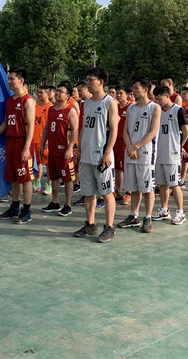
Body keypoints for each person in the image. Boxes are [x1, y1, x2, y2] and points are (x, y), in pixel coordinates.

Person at [0, 67, 36, 224]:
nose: (9, 81)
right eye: (8, 78)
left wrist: (26, 148)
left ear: (21, 80)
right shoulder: (10, 100)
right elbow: (6, 122)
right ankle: (14, 207)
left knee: (25, 178)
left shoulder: (28, 101)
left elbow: (31, 126)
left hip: (22, 142)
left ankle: (27, 210)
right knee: (14, 177)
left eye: (12, 78)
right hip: (10, 142)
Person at [73, 67, 119, 243]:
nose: (87, 83)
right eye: (86, 80)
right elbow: (83, 129)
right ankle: (90, 224)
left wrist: (107, 153)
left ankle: (109, 227)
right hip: (86, 155)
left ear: (100, 82)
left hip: (101, 156)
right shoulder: (85, 103)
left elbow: (114, 130)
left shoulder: (110, 102)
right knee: (88, 193)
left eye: (90, 80)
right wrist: (79, 149)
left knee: (106, 193)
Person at [117, 77, 161, 233]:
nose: (133, 90)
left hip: (146, 154)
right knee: (134, 187)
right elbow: (125, 131)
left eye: (136, 87)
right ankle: (133, 216)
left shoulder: (154, 107)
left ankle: (147, 217)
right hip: (131, 153)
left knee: (147, 188)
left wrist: (136, 147)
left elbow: (153, 132)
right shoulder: (131, 108)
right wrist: (130, 148)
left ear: (145, 89)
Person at [151, 85, 188, 224]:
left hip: (172, 154)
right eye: (155, 99)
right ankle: (164, 210)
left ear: (167, 96)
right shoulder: (157, 110)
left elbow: (186, 131)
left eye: (159, 98)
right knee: (162, 184)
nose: (157, 101)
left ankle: (180, 212)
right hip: (159, 153)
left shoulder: (178, 110)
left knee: (175, 184)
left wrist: (179, 145)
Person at [40, 81, 79, 216]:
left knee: (67, 178)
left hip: (64, 151)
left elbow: (75, 130)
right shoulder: (51, 109)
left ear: (67, 96)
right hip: (52, 150)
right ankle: (55, 202)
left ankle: (67, 205)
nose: (57, 93)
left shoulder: (70, 110)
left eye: (61, 91)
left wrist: (70, 148)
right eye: (57, 90)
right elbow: (46, 128)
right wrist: (42, 144)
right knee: (54, 177)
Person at [113, 84, 132, 206]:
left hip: (126, 140)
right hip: (115, 140)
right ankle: (118, 190)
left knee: (126, 167)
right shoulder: (114, 107)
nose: (118, 95)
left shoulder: (131, 107)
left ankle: (129, 192)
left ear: (127, 94)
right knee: (117, 168)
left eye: (121, 93)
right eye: (117, 93)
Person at [33, 85, 53, 194]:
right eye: (38, 92)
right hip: (34, 139)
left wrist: (48, 139)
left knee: (48, 163)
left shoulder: (51, 108)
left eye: (41, 93)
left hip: (44, 140)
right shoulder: (35, 106)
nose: (39, 95)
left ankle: (49, 184)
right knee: (37, 162)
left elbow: (51, 126)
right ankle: (37, 182)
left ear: (48, 94)